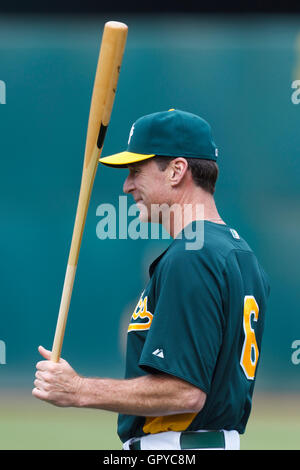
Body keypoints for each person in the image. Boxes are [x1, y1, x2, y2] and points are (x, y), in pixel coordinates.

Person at [33, 109, 270, 451]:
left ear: (177, 170)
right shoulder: (239, 253)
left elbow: (185, 391)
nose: (127, 185)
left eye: (136, 171)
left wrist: (78, 390)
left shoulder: (193, 255)